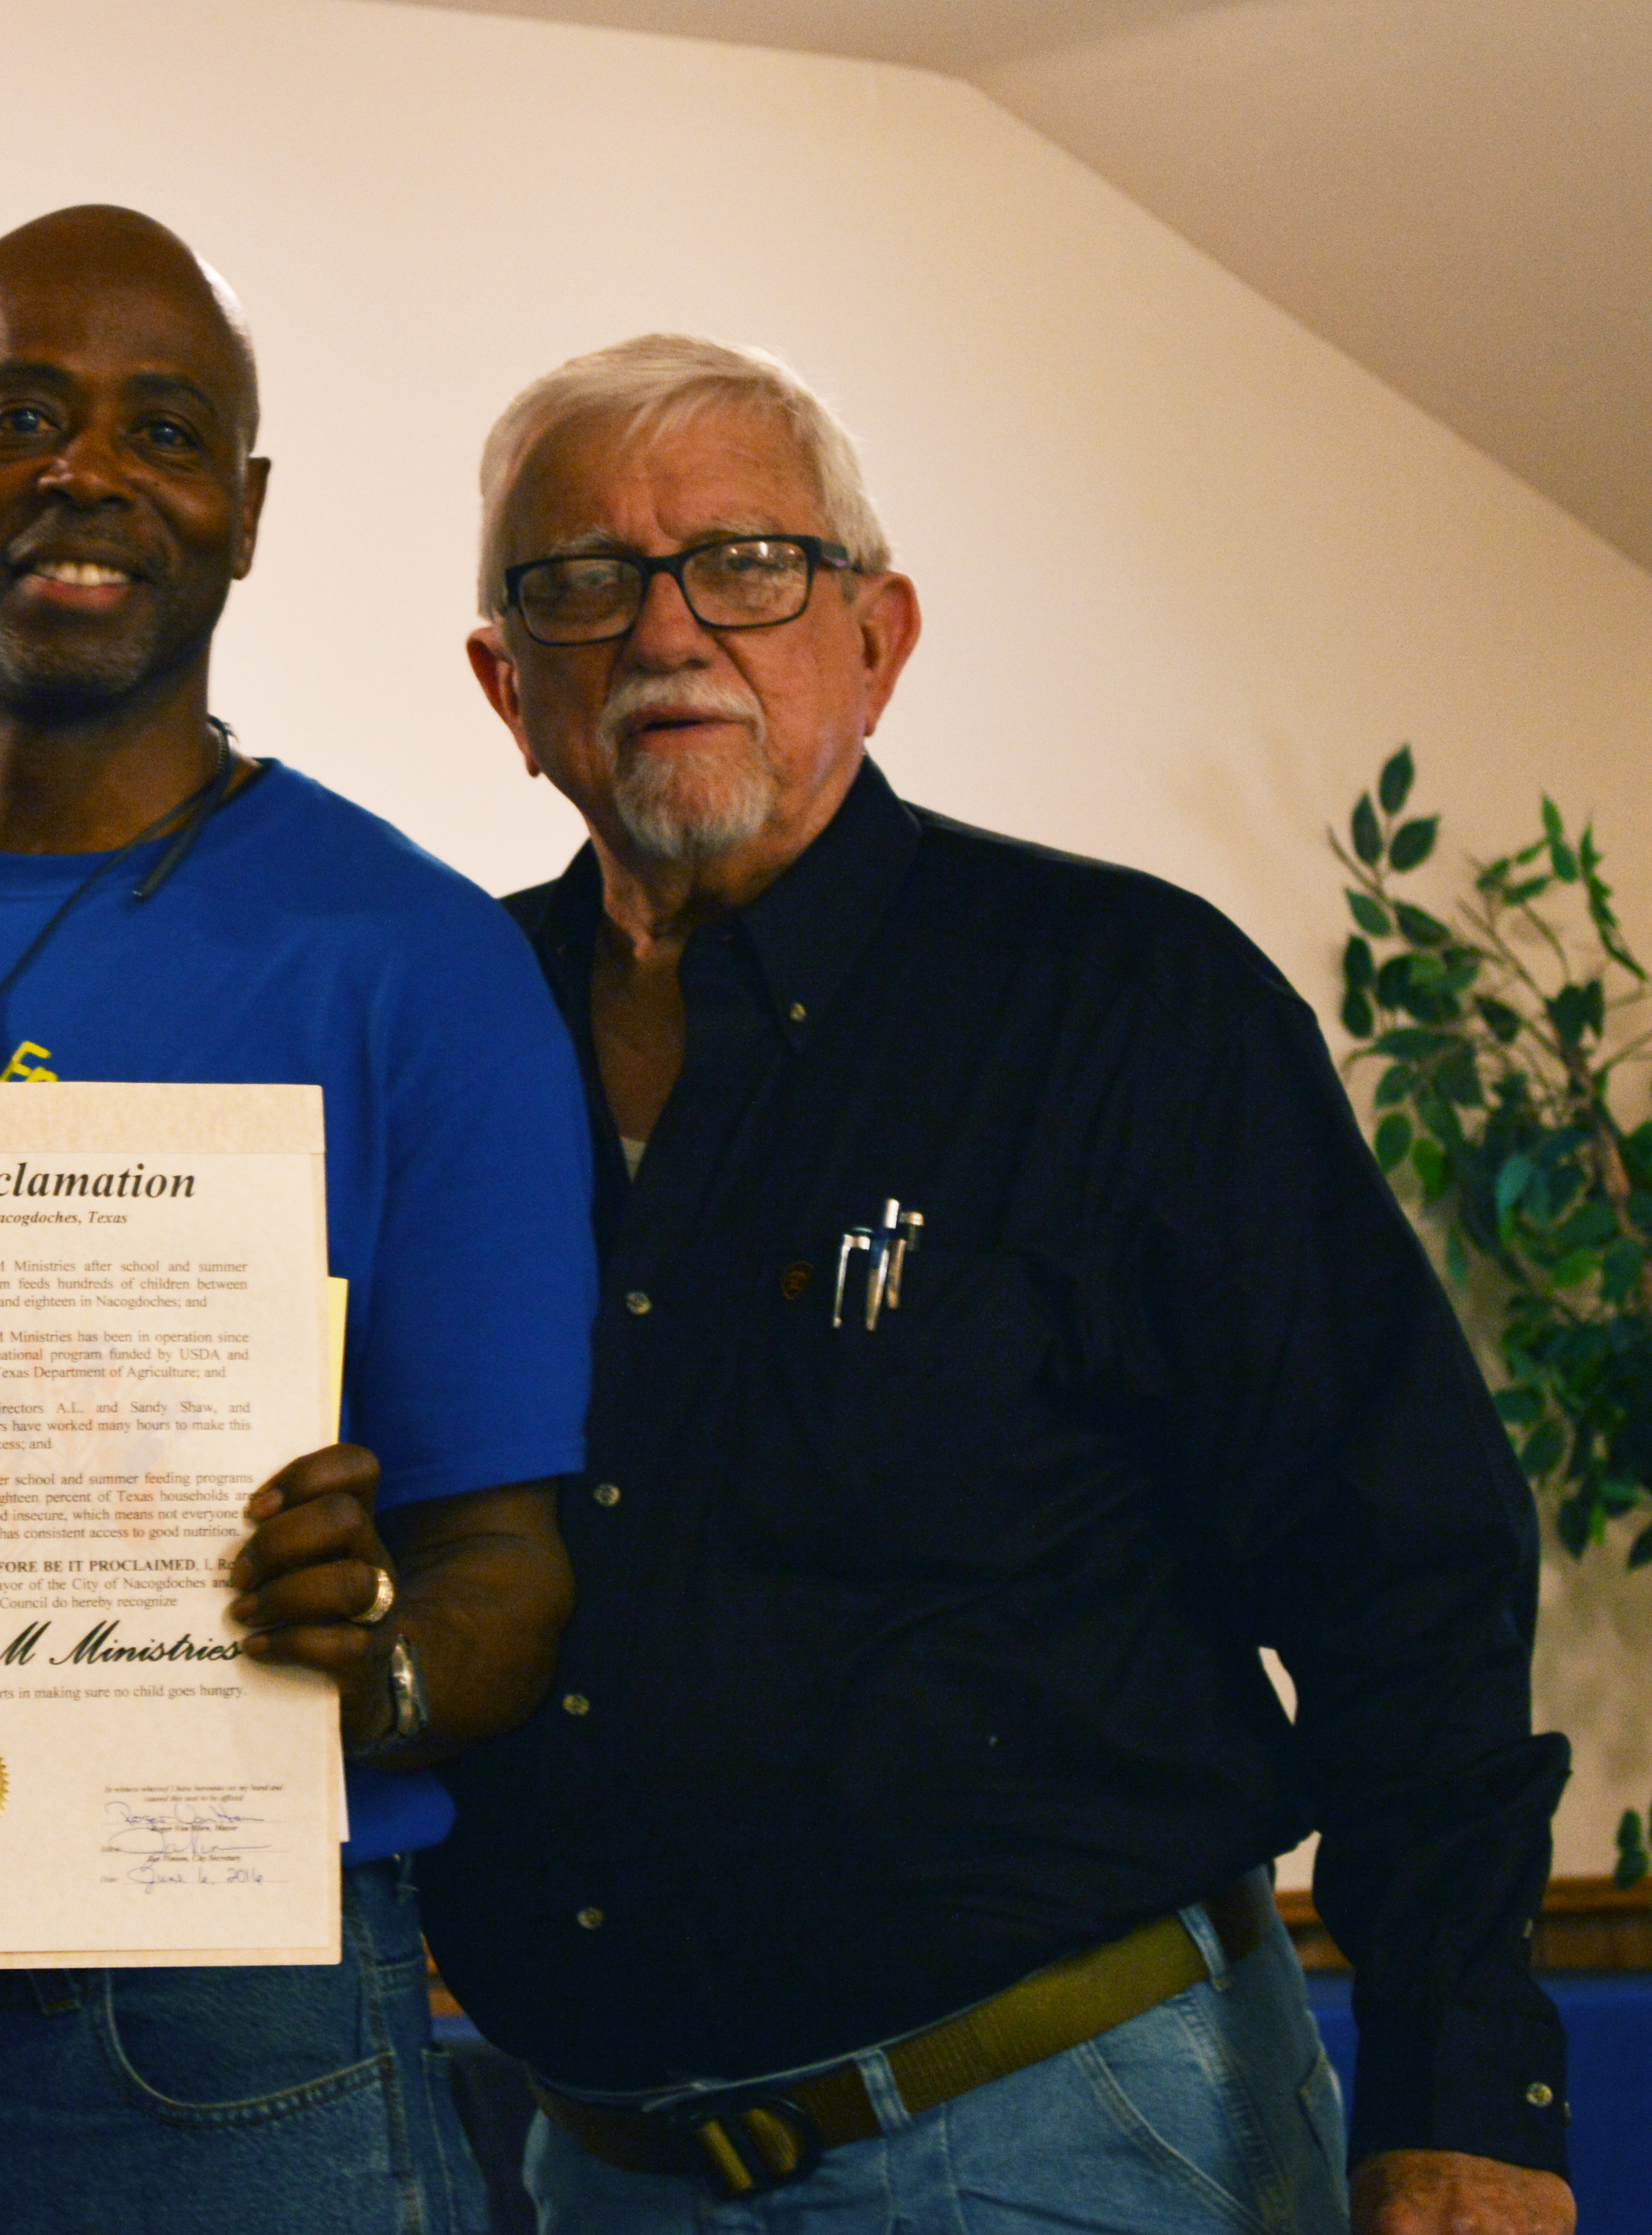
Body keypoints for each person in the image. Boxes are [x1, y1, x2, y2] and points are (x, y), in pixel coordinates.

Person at [423, 333, 1578, 2235]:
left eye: (745, 563)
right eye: (581, 582)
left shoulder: (1125, 1005)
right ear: (505, 684)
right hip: (590, 2167)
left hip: (1063, 2147)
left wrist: (1466, 2089)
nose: (665, 629)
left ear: (875, 641)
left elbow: (1408, 1565)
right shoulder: (440, 1028)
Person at [0, 206, 597, 2235]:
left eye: (162, 430)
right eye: (16, 416)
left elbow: (508, 1567)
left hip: (223, 2020)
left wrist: (373, 1666)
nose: (86, 475)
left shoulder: (414, 966)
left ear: (243, 515)